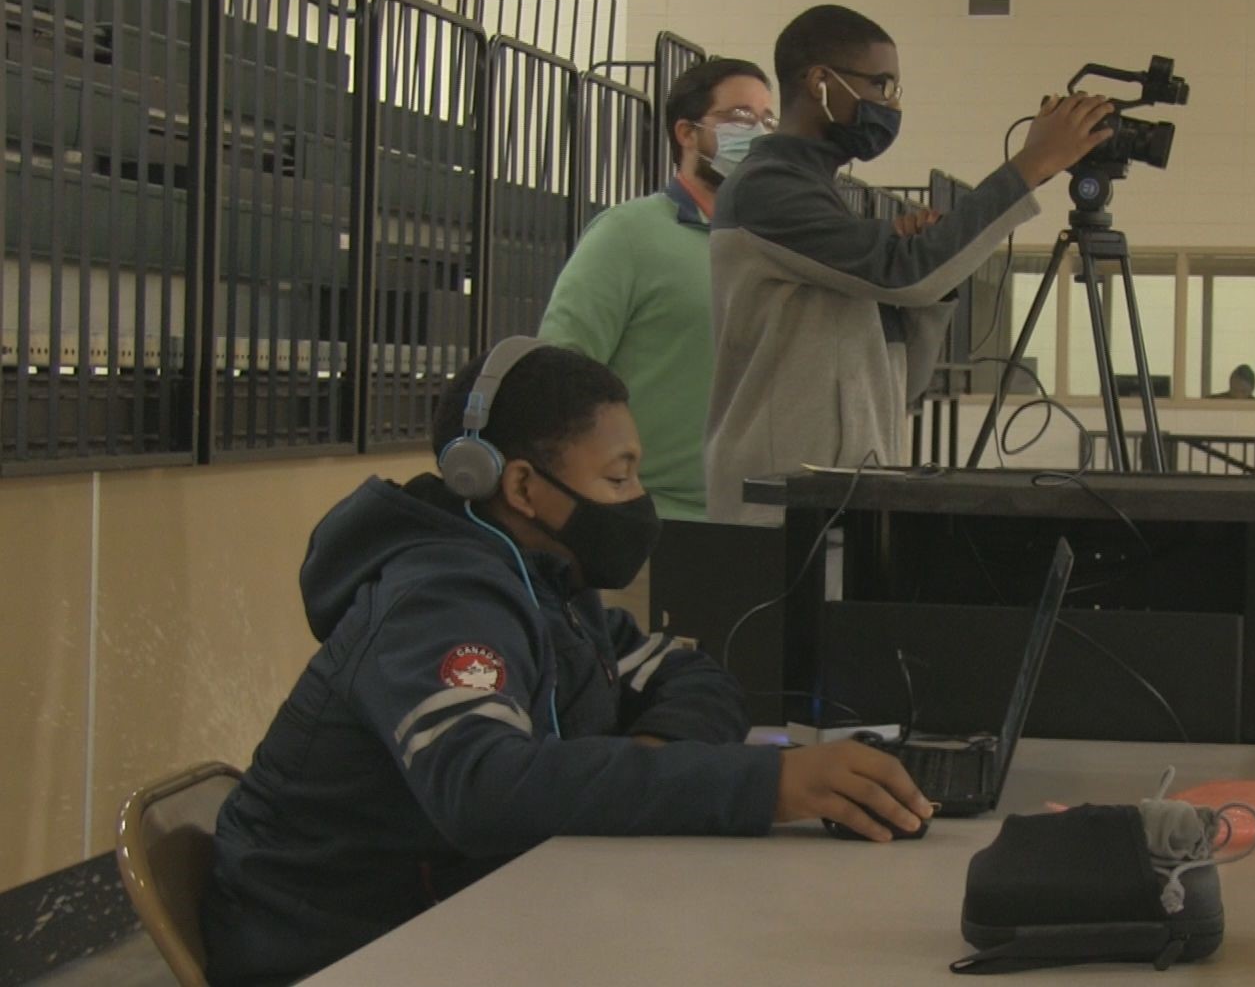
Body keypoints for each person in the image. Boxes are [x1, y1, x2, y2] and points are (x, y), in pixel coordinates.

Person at [199, 340, 930, 986]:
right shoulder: (440, 601)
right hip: (341, 953)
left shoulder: (545, 581)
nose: (637, 501)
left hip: (458, 917)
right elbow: (483, 787)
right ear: (521, 487)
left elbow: (689, 673)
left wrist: (657, 760)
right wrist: (767, 784)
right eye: (617, 479)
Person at [704, 4, 1116, 524]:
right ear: (820, 82)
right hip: (776, 506)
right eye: (880, 85)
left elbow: (906, 377)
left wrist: (926, 292)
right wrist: (1030, 165)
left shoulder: (824, 200)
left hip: (839, 499)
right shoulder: (767, 188)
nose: (890, 104)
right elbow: (907, 272)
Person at [538, 57, 778, 521]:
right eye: (739, 118)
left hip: (753, 519)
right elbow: (561, 370)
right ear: (686, 133)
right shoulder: (628, 234)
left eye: (768, 120)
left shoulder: (769, 247)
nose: (758, 133)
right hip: (647, 519)